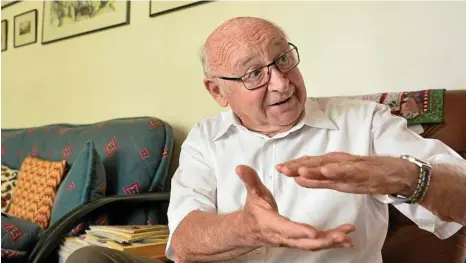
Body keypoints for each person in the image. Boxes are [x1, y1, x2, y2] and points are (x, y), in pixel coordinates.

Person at [67, 16, 466, 263]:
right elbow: (184, 242)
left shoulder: (365, 122)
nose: (280, 82)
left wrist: (402, 176)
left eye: (283, 60)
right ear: (218, 92)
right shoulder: (207, 139)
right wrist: (249, 228)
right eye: (253, 73)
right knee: (89, 259)